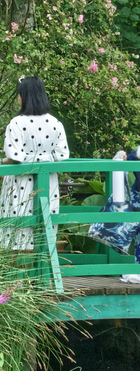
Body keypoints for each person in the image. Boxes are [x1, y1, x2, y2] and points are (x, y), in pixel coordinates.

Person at [0, 76, 69, 250]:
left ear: (24, 96)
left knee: (16, 229)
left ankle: (18, 275)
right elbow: (62, 155)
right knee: (42, 228)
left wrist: (2, 161)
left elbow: (15, 156)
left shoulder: (16, 123)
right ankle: (41, 274)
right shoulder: (55, 123)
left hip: (20, 182)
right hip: (47, 183)